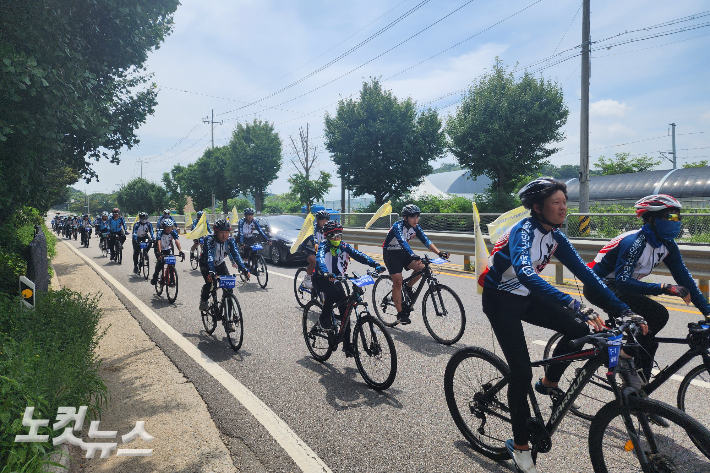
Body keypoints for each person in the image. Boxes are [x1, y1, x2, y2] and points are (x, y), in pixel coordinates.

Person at [479, 177, 643, 473]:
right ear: (538, 207)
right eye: (556, 203)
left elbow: (587, 273)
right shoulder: (524, 231)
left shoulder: (556, 236)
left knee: (581, 330)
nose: (563, 208)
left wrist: (624, 309)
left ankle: (550, 381)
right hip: (500, 299)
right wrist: (573, 303)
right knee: (520, 372)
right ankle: (519, 447)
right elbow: (527, 273)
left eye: (564, 202)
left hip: (528, 296)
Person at [584, 194, 710, 389]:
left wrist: (707, 310)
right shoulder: (635, 241)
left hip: (622, 286)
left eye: (679, 217)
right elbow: (623, 282)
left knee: (648, 343)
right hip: (600, 286)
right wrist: (663, 288)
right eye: (671, 217)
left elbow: (684, 279)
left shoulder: (667, 244)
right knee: (658, 314)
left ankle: (639, 397)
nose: (677, 222)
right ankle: (625, 357)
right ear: (652, 219)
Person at [313, 220, 385, 357]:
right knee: (332, 292)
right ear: (327, 236)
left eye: (339, 234)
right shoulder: (323, 246)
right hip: (321, 278)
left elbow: (359, 255)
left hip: (337, 279)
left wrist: (375, 264)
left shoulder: (344, 246)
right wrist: (325, 272)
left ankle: (347, 345)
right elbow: (320, 259)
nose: (337, 238)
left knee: (346, 310)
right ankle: (324, 318)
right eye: (333, 235)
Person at [381, 204, 449, 325]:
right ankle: (401, 314)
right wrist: (412, 254)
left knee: (422, 268)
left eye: (417, 216)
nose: (416, 219)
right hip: (391, 253)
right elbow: (402, 241)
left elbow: (426, 240)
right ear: (406, 218)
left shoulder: (416, 227)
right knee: (397, 281)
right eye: (413, 216)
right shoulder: (398, 226)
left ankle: (408, 287)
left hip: (403, 251)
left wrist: (439, 253)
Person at [198, 219, 249, 314]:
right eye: (221, 232)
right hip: (206, 264)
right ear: (216, 232)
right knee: (210, 284)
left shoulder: (230, 240)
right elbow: (209, 256)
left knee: (229, 290)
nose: (224, 235)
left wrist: (243, 268)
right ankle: (204, 299)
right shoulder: (209, 240)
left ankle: (228, 319)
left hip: (220, 264)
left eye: (227, 232)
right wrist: (211, 272)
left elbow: (236, 254)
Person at [298, 210, 329, 289]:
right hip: (306, 248)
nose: (325, 222)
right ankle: (307, 279)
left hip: (317, 249)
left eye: (326, 220)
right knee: (315, 262)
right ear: (318, 220)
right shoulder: (313, 229)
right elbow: (314, 241)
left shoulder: (327, 229)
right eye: (323, 220)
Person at [150, 219, 184, 285]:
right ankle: (155, 277)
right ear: (164, 227)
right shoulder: (160, 232)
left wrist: (180, 251)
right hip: (158, 248)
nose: (169, 229)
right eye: (167, 227)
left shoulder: (173, 232)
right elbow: (159, 242)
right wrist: (159, 253)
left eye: (171, 227)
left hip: (167, 248)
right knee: (161, 262)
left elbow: (177, 241)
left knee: (172, 262)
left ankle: (171, 279)